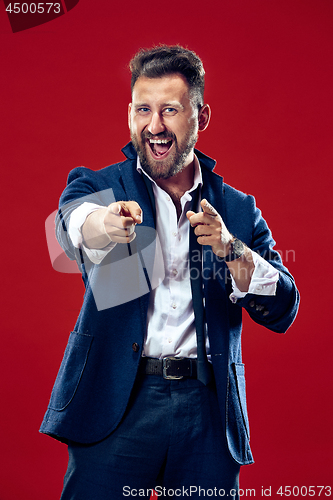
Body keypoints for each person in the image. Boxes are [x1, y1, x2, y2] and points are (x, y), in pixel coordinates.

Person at [40, 45, 299, 499]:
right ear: (130, 114)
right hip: (116, 401)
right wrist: (105, 224)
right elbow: (70, 226)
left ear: (201, 116)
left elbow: (283, 308)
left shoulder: (235, 209)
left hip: (207, 409)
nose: (154, 125)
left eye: (170, 110)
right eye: (144, 109)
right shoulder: (103, 186)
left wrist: (230, 248)